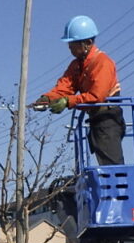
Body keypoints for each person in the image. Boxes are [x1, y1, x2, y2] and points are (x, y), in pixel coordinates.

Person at [34, 15, 125, 166]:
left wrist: (68, 101)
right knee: (105, 165)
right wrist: (47, 98)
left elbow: (97, 96)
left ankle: (121, 189)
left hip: (108, 118)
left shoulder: (102, 62)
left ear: (88, 43)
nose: (69, 48)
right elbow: (65, 86)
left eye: (73, 44)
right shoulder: (77, 65)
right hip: (96, 119)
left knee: (112, 168)